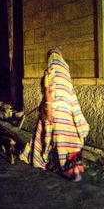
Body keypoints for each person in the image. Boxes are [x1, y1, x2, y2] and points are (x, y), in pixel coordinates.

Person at [19, 47, 89, 181]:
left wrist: (48, 110)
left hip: (54, 111)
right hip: (67, 112)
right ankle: (71, 166)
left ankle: (52, 163)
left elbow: (48, 92)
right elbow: (71, 95)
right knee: (68, 140)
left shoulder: (50, 72)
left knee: (47, 137)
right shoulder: (65, 75)